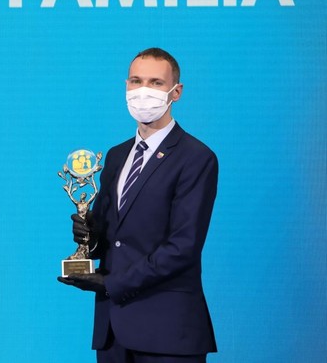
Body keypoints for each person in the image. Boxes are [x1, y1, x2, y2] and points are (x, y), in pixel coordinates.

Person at [59, 48, 218, 362]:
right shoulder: (116, 155)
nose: (143, 91)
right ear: (126, 86)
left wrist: (112, 283)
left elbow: (183, 247)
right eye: (136, 81)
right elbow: (113, 238)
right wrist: (89, 234)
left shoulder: (196, 158)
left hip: (168, 333)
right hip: (112, 334)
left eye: (156, 83)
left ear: (176, 92)